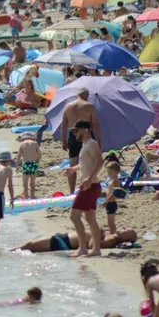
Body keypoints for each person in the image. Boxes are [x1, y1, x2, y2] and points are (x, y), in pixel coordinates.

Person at [66, 120, 103, 258]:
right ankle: (96, 249)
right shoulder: (85, 144)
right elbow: (84, 164)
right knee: (90, 218)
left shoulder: (92, 143)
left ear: (86, 130)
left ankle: (83, 248)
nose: (76, 133)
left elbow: (100, 161)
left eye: (77, 130)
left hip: (89, 185)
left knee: (74, 216)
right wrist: (72, 169)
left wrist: (89, 178)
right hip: (90, 185)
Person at [60, 89, 103, 190]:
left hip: (73, 135)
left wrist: (64, 141)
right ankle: (90, 182)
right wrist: (99, 139)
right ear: (85, 95)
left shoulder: (68, 106)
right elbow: (95, 124)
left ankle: (71, 191)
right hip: (86, 134)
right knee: (90, 161)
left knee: (73, 163)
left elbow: (64, 126)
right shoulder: (89, 106)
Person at [16, 133, 41, 199]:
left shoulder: (22, 144)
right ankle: (32, 197)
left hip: (26, 164)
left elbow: (18, 156)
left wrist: (17, 166)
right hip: (33, 164)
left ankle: (26, 198)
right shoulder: (35, 143)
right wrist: (37, 162)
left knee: (25, 184)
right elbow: (39, 154)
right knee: (32, 183)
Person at [103, 161, 124, 235]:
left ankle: (113, 234)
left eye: (110, 172)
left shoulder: (115, 181)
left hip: (111, 202)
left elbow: (114, 193)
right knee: (110, 221)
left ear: (115, 172)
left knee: (111, 222)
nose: (108, 174)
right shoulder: (113, 180)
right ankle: (113, 233)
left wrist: (106, 201)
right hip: (110, 202)